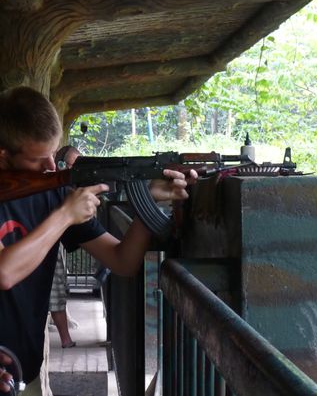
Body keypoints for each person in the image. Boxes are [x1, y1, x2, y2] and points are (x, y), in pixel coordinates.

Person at [0, 86, 197, 395]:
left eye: (53, 154)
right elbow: (4, 272)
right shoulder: (59, 205)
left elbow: (122, 261)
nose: (51, 166)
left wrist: (147, 202)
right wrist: (66, 214)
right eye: (38, 159)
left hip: (23, 371)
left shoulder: (52, 195)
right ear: (3, 156)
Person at [47, 146, 82, 349]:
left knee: (57, 289)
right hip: (47, 243)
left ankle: (65, 338)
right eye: (69, 165)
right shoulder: (52, 187)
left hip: (54, 242)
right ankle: (65, 338)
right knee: (55, 289)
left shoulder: (66, 189)